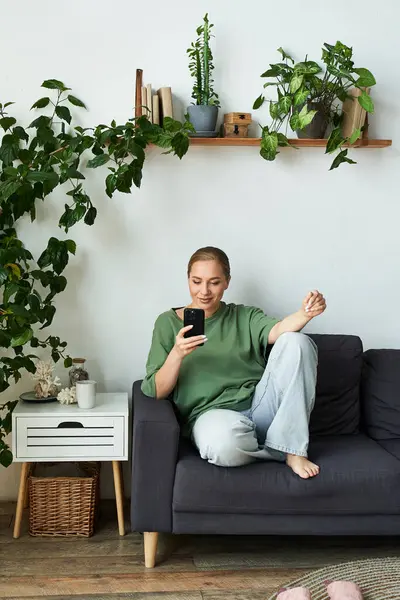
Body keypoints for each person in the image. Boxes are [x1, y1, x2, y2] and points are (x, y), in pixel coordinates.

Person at [142, 247, 327, 479]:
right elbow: (157, 391)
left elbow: (278, 331)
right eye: (196, 281)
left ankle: (292, 450)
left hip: (261, 407)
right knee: (221, 446)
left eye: (214, 282)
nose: (204, 292)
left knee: (297, 342)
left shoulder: (244, 316)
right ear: (188, 279)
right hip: (211, 415)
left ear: (227, 282)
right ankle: (277, 447)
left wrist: (305, 313)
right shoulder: (167, 323)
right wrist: (177, 354)